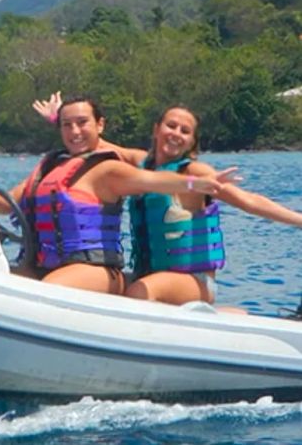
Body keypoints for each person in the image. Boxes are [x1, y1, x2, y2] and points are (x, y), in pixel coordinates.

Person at [33, 93, 302, 305]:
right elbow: (92, 142)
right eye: (171, 125)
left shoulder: (195, 173)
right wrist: (58, 119)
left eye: (185, 131)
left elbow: (250, 201)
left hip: (193, 281)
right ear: (156, 129)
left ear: (191, 142)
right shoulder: (142, 163)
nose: (176, 133)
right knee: (105, 287)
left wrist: (298, 220)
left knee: (138, 290)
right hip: (151, 274)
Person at [0, 96, 237, 296]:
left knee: (44, 291)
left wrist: (194, 184)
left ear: (100, 125)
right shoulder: (49, 166)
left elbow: (151, 180)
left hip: (95, 269)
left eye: (82, 123)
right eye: (67, 125)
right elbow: (8, 204)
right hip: (44, 263)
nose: (74, 131)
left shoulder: (108, 168)